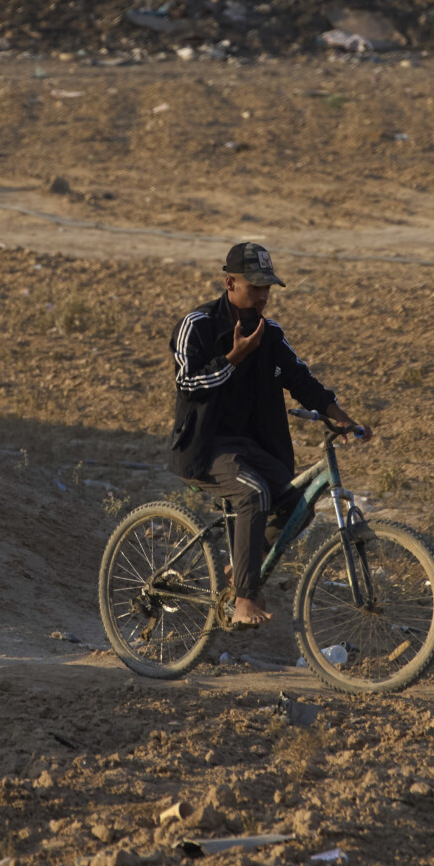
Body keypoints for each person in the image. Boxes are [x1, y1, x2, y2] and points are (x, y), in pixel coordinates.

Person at [168, 242, 366, 629]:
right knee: (253, 492)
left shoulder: (270, 334)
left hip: (251, 449)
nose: (262, 296)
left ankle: (241, 565)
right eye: (254, 287)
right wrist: (234, 356)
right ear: (229, 282)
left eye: (267, 289)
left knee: (300, 503)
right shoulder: (198, 325)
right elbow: (187, 382)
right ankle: (244, 596)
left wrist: (340, 417)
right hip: (206, 448)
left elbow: (302, 380)